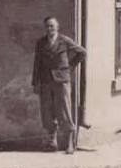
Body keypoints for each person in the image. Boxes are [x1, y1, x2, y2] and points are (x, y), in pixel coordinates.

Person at [31, 15, 86, 153]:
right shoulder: (41, 43)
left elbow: (82, 52)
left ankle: (70, 143)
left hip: (62, 81)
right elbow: (37, 63)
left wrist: (69, 66)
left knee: (64, 110)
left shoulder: (64, 41)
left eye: (52, 26)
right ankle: (51, 143)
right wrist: (35, 82)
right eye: (47, 26)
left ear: (57, 27)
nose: (49, 29)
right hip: (45, 81)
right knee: (47, 112)